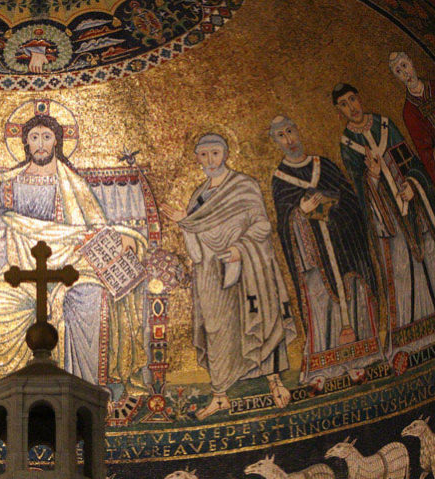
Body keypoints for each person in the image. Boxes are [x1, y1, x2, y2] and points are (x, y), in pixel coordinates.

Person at [0, 113, 148, 393]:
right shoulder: (7, 183)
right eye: (34, 137)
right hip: (20, 270)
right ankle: (11, 388)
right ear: (25, 143)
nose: (40, 144)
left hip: (72, 267)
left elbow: (95, 227)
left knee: (87, 298)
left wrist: (121, 236)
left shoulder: (72, 183)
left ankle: (86, 388)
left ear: (56, 141)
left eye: (47, 137)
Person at [162, 133, 296, 419]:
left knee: (259, 320)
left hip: (248, 267)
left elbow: (262, 225)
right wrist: (185, 222)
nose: (210, 160)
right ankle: (220, 395)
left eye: (215, 153)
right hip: (211, 273)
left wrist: (239, 248)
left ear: (225, 154)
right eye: (204, 154)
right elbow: (196, 246)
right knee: (216, 329)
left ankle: (274, 382)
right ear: (197, 158)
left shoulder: (244, 186)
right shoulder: (198, 197)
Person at [269, 115, 383, 385]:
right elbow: (283, 224)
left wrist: (330, 206)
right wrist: (299, 212)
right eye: (281, 135)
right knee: (320, 305)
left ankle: (358, 360)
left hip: (343, 249)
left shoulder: (324, 165)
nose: (289, 139)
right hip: (313, 259)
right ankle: (322, 368)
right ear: (275, 142)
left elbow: (352, 202)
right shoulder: (280, 179)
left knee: (353, 297)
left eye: (290, 131)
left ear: (298, 130)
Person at [335, 83, 435, 363]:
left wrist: (412, 185)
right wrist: (374, 176)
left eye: (352, 99)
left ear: (359, 98)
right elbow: (359, 188)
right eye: (344, 104)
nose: (351, 107)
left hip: (414, 207)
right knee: (401, 272)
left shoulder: (385, 125)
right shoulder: (348, 144)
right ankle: (410, 342)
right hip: (387, 220)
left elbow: (410, 161)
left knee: (430, 259)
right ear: (339, 111)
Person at [389, 52, 435, 183]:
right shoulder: (409, 112)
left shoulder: (433, 87)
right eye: (398, 71)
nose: (405, 73)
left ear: (411, 62)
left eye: (404, 65)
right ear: (397, 77)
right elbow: (424, 151)